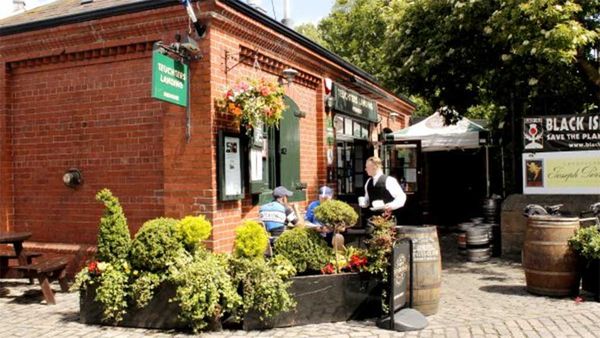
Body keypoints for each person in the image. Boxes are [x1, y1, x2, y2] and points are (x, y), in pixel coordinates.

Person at [360, 156, 407, 222]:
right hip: (372, 219)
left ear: (375, 167)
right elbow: (367, 199)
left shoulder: (389, 180)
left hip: (387, 218)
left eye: (367, 167)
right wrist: (364, 203)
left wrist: (391, 205)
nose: (365, 169)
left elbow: (401, 197)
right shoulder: (368, 182)